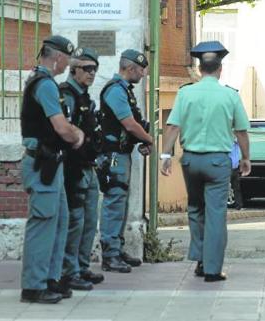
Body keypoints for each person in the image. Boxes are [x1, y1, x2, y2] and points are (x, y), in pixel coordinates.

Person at [160, 41, 251, 282]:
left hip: (190, 161)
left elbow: (172, 125)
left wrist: (166, 155)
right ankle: (212, 268)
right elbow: (241, 131)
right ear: (220, 69)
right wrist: (245, 158)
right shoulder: (230, 96)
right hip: (217, 163)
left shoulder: (186, 93)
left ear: (200, 70)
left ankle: (200, 258)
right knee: (216, 213)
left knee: (195, 209)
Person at [20, 35, 85, 304]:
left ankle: (50, 278)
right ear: (58, 57)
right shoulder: (45, 84)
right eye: (68, 58)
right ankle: (34, 286)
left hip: (51, 162)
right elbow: (60, 126)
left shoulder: (44, 82)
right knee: (44, 222)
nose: (69, 63)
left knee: (59, 221)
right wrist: (77, 135)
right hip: (42, 162)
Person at [98, 49, 153, 273]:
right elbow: (129, 123)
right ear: (130, 68)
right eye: (141, 70)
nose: (142, 75)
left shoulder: (124, 91)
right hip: (113, 155)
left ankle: (116, 250)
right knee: (114, 202)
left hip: (121, 154)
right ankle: (110, 255)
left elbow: (132, 124)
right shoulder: (115, 91)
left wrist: (141, 139)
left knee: (121, 202)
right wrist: (148, 139)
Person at [59, 48, 105, 291]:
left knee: (89, 219)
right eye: (87, 69)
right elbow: (63, 129)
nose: (92, 73)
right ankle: (69, 271)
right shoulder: (66, 95)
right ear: (73, 69)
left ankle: (82, 265)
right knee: (75, 220)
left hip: (88, 166)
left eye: (94, 69)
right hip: (73, 167)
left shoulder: (85, 97)